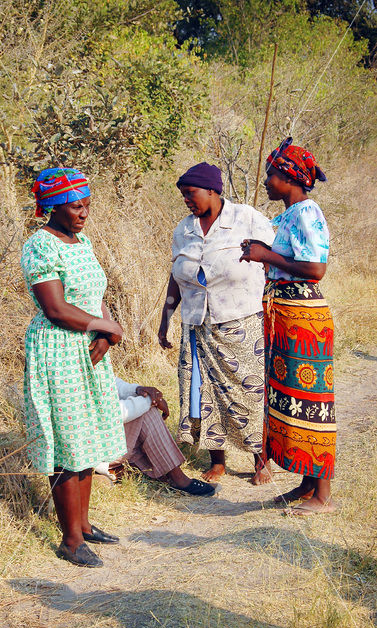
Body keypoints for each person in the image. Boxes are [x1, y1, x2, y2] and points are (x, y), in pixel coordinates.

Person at [21, 167, 127, 567]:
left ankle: (82, 526)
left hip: (89, 349)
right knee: (67, 439)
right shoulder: (40, 246)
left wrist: (106, 333)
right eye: (75, 206)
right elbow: (55, 308)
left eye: (87, 205)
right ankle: (69, 541)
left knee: (88, 436)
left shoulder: (82, 241)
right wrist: (105, 326)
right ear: (53, 206)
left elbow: (94, 293)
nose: (83, 213)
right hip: (58, 351)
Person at [158, 162, 275, 484]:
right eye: (183, 195)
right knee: (202, 391)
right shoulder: (184, 230)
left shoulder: (246, 218)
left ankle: (260, 460)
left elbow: (271, 259)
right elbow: (176, 278)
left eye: (191, 193)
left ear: (212, 190)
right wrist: (165, 319)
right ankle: (217, 460)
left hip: (240, 319)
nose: (187, 200)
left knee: (248, 391)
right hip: (197, 324)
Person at [240, 137, 337, 515]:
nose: (266, 181)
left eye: (271, 175)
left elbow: (316, 269)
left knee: (312, 399)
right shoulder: (288, 215)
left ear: (290, 177)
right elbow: (286, 258)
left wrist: (265, 254)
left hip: (303, 316)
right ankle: (306, 482)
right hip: (285, 312)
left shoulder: (307, 211)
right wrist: (263, 252)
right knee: (291, 398)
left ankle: (323, 495)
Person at [98, 378, 216, 496]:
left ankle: (169, 473)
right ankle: (176, 477)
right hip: (92, 451)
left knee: (143, 408)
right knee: (144, 410)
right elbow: (108, 414)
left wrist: (139, 390)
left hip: (103, 442)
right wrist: (150, 401)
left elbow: (110, 383)